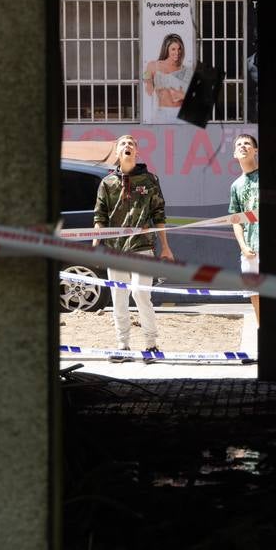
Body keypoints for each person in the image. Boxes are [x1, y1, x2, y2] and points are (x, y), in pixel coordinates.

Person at [93, 135, 175, 362]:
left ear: (137, 151)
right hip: (115, 249)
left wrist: (165, 247)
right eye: (123, 144)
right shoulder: (107, 183)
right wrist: (95, 245)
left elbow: (159, 214)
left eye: (131, 144)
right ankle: (123, 345)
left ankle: (151, 344)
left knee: (140, 293)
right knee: (119, 297)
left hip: (142, 247)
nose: (127, 146)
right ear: (117, 152)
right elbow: (100, 216)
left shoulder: (150, 180)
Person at [228, 133, 260, 325]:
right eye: (239, 144)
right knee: (255, 295)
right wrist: (243, 246)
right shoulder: (236, 186)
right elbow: (236, 220)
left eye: (247, 143)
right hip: (250, 250)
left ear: (255, 150)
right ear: (234, 153)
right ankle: (263, 332)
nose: (243, 146)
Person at [143, 33, 193, 120]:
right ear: (166, 49)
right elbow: (147, 86)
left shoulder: (186, 70)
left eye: (179, 49)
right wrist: (148, 81)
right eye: (173, 49)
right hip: (162, 113)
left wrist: (182, 96)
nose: (177, 52)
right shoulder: (153, 65)